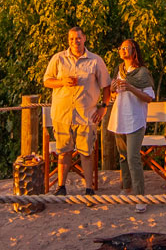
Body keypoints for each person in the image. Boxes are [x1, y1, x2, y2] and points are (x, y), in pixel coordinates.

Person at [41, 25, 109, 194]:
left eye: (78, 38)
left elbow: (107, 86)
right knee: (63, 152)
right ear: (68, 40)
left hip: (87, 115)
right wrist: (62, 82)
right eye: (71, 38)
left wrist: (104, 108)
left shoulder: (95, 60)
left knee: (86, 153)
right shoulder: (58, 59)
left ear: (84, 38)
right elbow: (47, 81)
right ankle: (61, 187)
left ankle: (88, 188)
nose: (75, 41)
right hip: (62, 115)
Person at [105, 38, 157, 195]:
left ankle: (140, 195)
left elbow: (149, 97)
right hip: (119, 118)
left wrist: (130, 87)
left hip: (135, 119)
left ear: (134, 50)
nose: (123, 50)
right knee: (123, 156)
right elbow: (112, 96)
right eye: (121, 48)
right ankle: (127, 188)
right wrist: (113, 90)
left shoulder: (142, 72)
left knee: (133, 158)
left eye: (126, 48)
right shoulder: (119, 70)